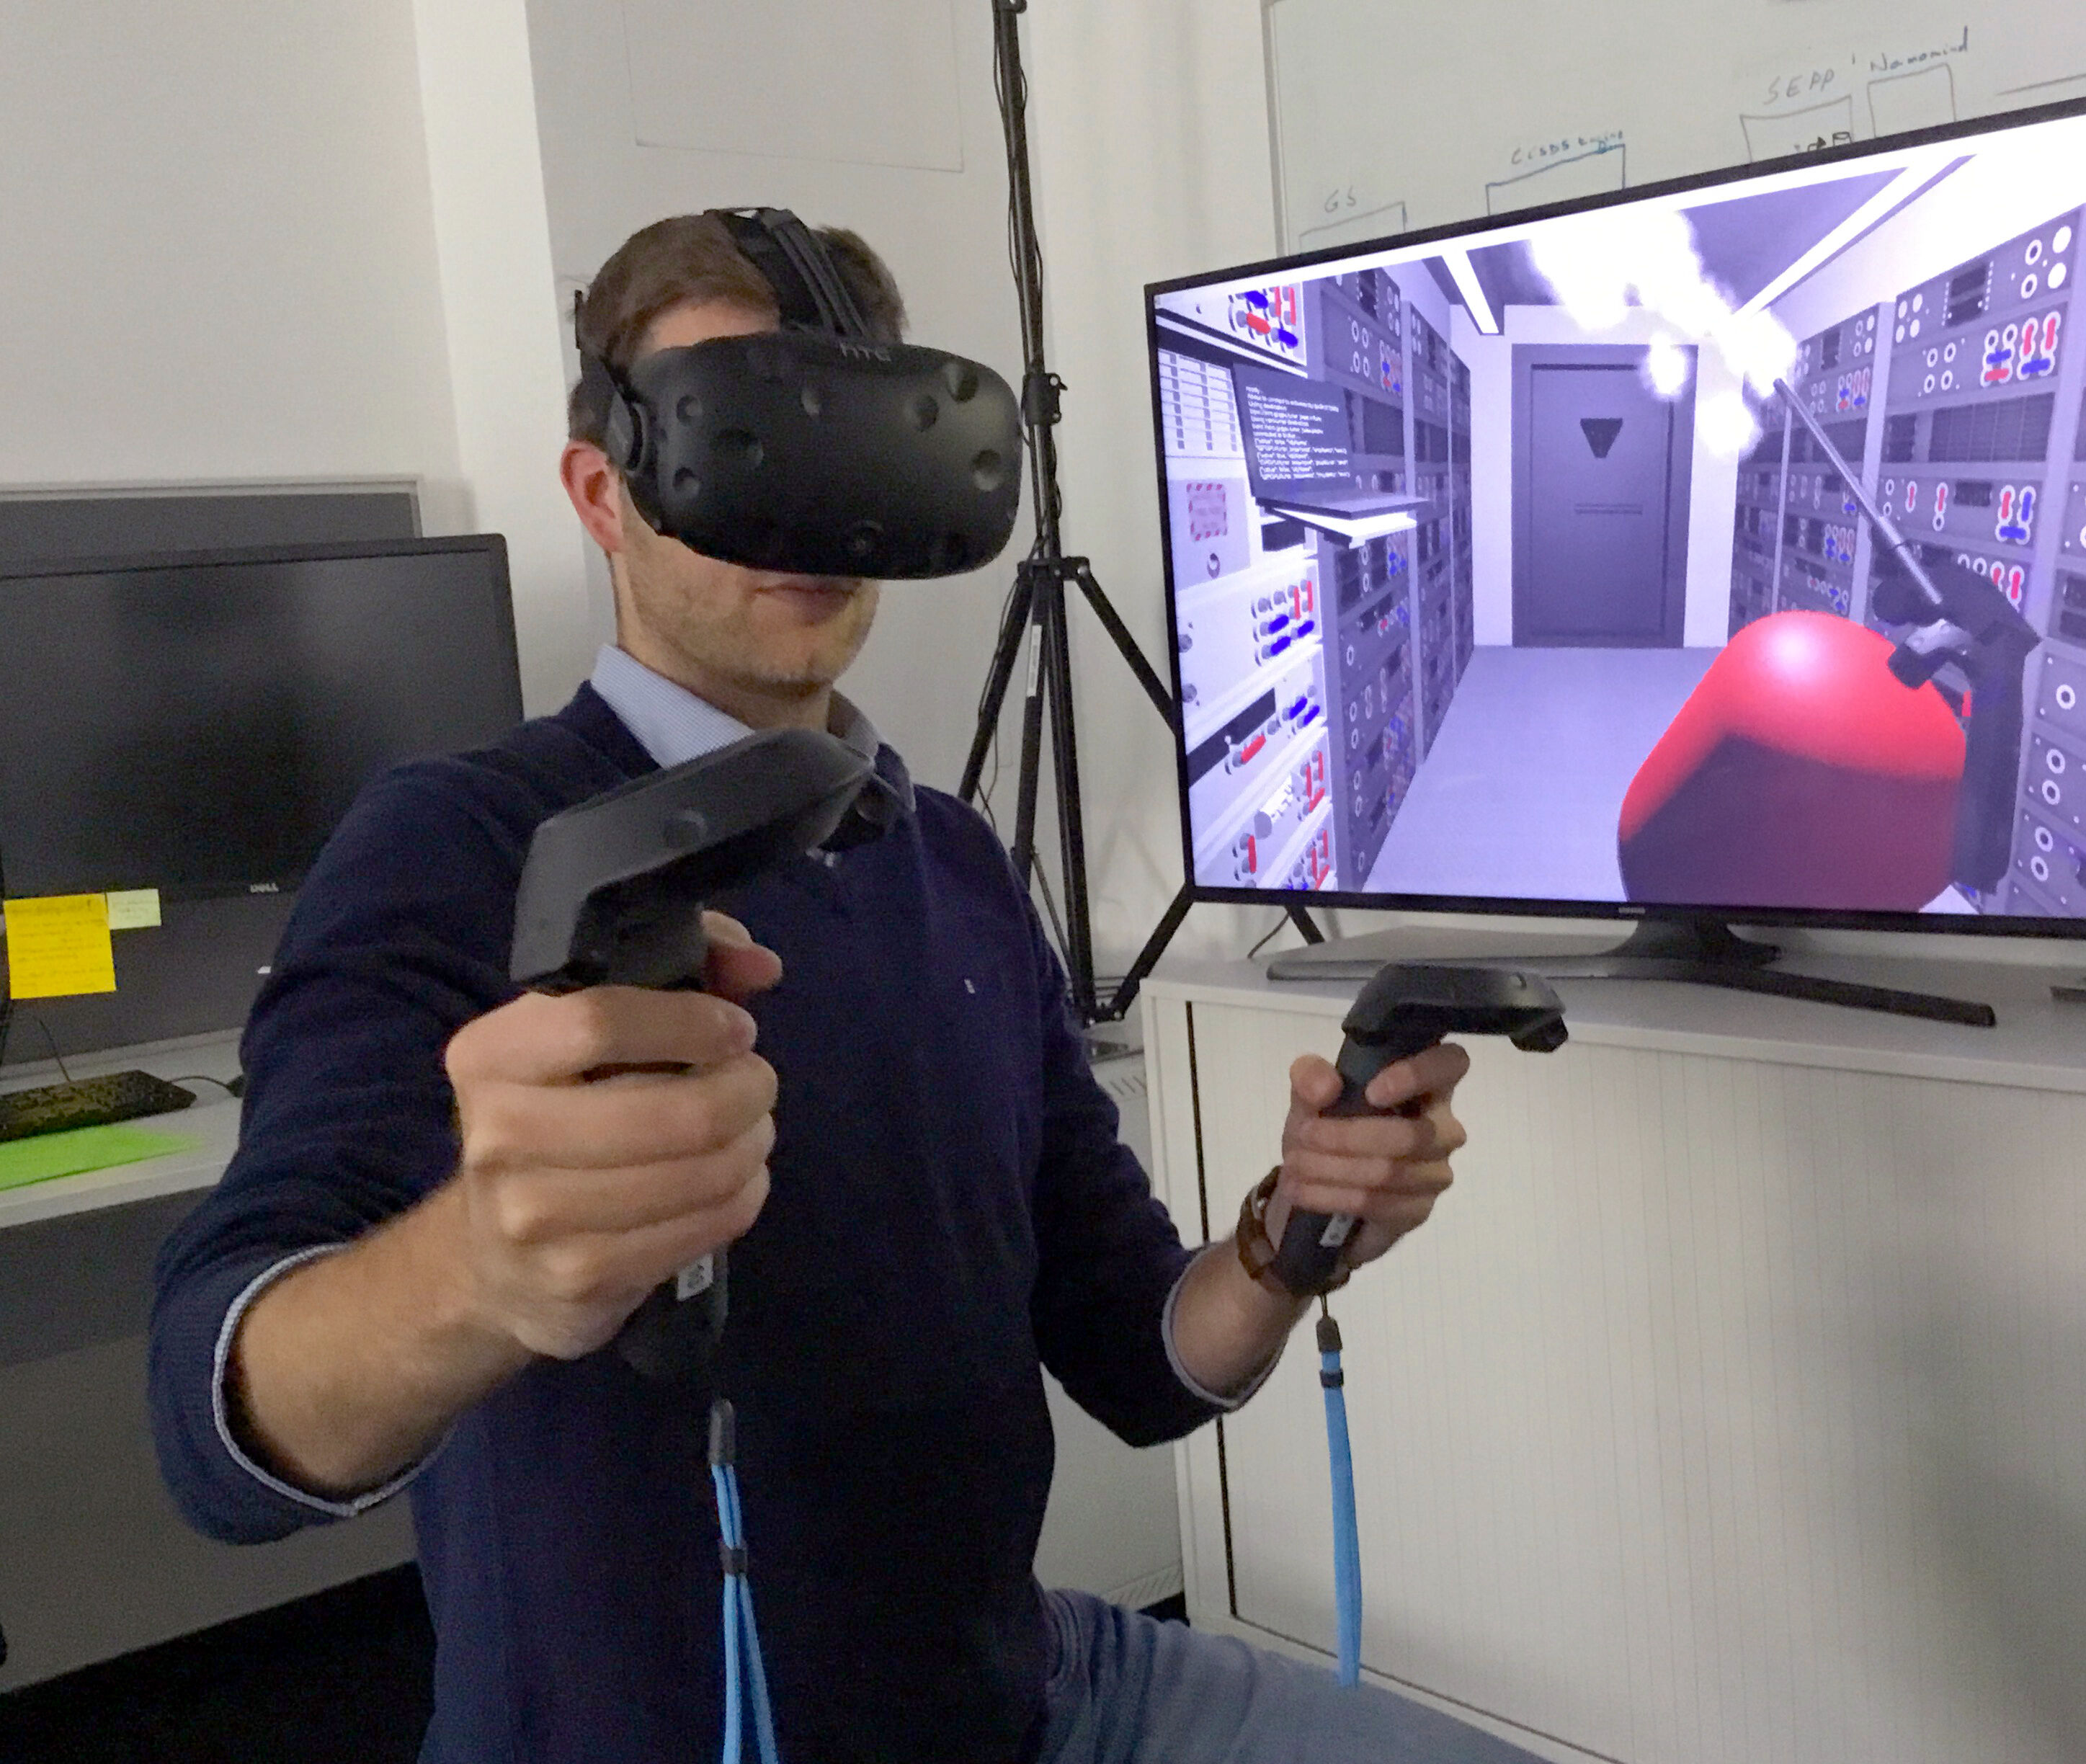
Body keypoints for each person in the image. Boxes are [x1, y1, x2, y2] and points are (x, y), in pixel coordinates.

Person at [149, 213, 1543, 1764]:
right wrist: (481, 1265)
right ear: (604, 492)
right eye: (742, 440)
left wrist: (1290, 1240)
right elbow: (219, 1424)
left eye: (852, 440)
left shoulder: (952, 860)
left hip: (1023, 1696)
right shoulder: (457, 842)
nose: (806, 510)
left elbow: (1145, 1360)